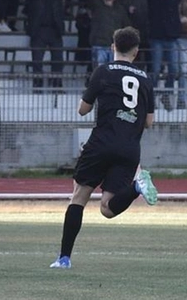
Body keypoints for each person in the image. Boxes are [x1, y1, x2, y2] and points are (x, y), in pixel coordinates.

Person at [51, 26, 158, 269]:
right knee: (108, 209)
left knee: (78, 196)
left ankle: (64, 258)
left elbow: (83, 109)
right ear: (136, 51)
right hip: (130, 149)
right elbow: (150, 122)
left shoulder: (104, 71)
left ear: (113, 47)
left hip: (101, 143)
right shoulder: (144, 79)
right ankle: (136, 188)